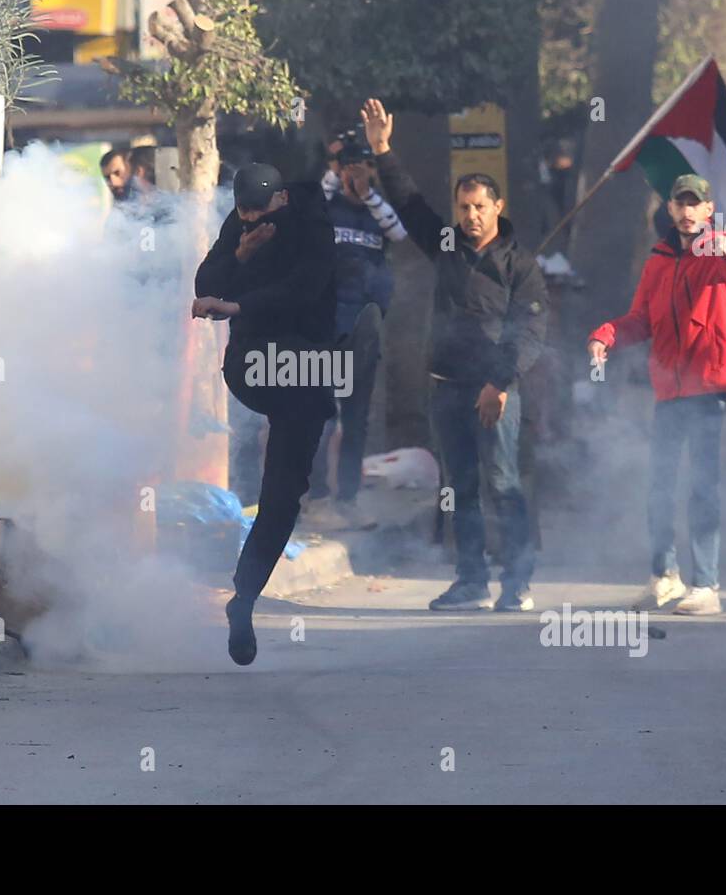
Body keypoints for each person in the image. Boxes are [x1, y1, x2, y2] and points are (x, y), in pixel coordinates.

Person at [362, 97, 548, 613]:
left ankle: (517, 581)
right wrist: (382, 149)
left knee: (503, 482)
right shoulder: (444, 244)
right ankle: (470, 580)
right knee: (459, 486)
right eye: (463, 207)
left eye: (478, 208)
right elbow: (409, 203)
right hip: (447, 385)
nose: (469, 216)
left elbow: (529, 332)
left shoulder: (522, 267)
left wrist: (499, 384)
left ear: (497, 208)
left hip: (498, 393)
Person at [587, 174, 726, 617]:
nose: (686, 211)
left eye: (695, 203)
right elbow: (641, 319)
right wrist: (606, 335)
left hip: (708, 389)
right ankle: (665, 576)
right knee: (659, 486)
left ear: (708, 209)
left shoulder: (718, 254)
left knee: (702, 488)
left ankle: (707, 585)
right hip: (668, 391)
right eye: (679, 204)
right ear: (671, 209)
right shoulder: (659, 259)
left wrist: (723, 243)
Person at [193, 162, 337, 665]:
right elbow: (207, 279)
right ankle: (247, 590)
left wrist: (239, 305)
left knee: (281, 496)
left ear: (280, 200)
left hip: (305, 364)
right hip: (254, 367)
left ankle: (245, 598)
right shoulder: (243, 222)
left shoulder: (314, 226)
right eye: (242, 216)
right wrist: (237, 255)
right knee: (280, 480)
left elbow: (307, 289)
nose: (249, 223)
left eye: (257, 215)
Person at [304, 132, 408, 530]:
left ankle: (348, 499)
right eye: (347, 165)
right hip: (324, 327)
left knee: (357, 418)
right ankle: (318, 500)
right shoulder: (322, 207)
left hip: (365, 330)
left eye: (360, 165)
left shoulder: (375, 212)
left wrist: (366, 190)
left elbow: (398, 233)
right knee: (322, 417)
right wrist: (335, 170)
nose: (353, 172)